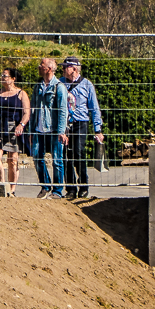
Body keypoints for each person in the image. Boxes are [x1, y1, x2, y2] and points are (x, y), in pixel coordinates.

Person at [60, 55, 103, 200]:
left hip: (80, 123)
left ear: (73, 69)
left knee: (78, 153)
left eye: (65, 67)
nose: (63, 70)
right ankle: (70, 188)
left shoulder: (87, 84)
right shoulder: (60, 83)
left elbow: (94, 108)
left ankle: (83, 185)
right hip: (64, 124)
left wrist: (98, 129)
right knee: (66, 156)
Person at [0, 67, 30, 197]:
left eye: (5, 75)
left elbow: (27, 113)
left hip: (13, 128)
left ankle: (12, 189)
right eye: (1, 75)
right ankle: (2, 186)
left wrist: (21, 125)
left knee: (12, 160)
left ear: (13, 79)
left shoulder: (21, 93)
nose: (2, 78)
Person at [30, 57, 70, 198]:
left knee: (57, 160)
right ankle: (45, 186)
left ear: (50, 68)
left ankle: (58, 191)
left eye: (42, 65)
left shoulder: (59, 87)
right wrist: (31, 130)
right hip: (38, 129)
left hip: (53, 130)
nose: (39, 67)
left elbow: (62, 111)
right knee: (37, 157)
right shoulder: (38, 86)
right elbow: (33, 108)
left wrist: (61, 131)